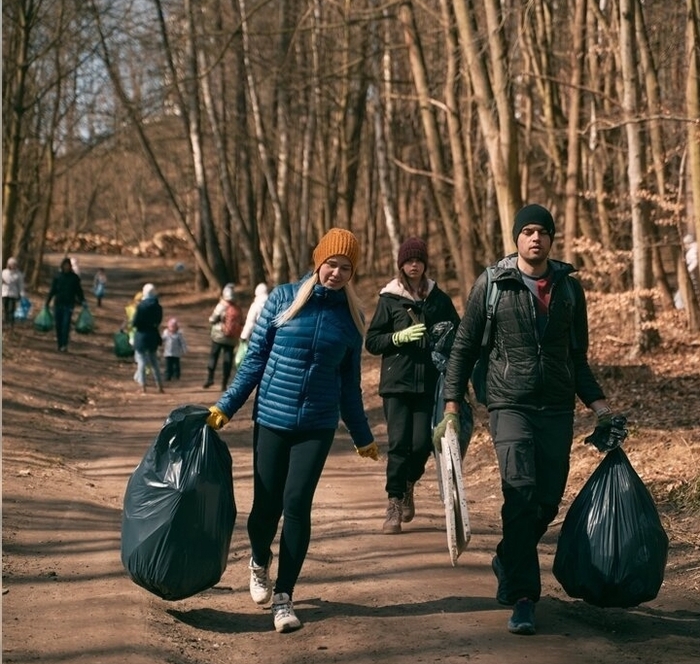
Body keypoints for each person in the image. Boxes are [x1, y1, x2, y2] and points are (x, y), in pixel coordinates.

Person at [433, 203, 627, 636]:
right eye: (528, 232)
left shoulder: (570, 291)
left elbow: (578, 358)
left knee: (547, 500)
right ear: (516, 238)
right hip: (508, 404)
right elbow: (463, 348)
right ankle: (523, 598)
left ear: (551, 240)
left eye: (542, 232)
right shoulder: (493, 283)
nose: (535, 238)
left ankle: (507, 555)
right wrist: (451, 406)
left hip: (556, 408)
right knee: (520, 494)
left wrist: (600, 408)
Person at [206, 228, 380, 633]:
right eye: (331, 264)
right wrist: (226, 406)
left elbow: (348, 386)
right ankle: (258, 560)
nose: (336, 273)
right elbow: (253, 362)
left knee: (297, 504)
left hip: (317, 426)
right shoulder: (283, 300)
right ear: (318, 262)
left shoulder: (352, 319)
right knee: (266, 507)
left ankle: (284, 597)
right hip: (271, 419)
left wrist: (361, 434)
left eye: (346, 267)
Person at [365, 236, 460, 533]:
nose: (414, 265)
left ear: (425, 264)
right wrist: (397, 338)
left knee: (421, 444)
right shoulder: (389, 299)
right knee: (398, 445)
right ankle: (393, 503)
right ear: (401, 265)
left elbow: (457, 335)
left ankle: (408, 485)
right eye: (408, 261)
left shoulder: (438, 299)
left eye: (418, 260)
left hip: (428, 383)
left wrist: (443, 339)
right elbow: (372, 341)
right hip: (396, 382)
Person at [203, 284, 241, 391]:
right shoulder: (237, 307)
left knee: (213, 356)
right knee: (228, 359)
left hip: (218, 336)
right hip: (232, 338)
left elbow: (212, 319)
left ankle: (210, 378)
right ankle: (224, 383)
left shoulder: (221, 306)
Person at [46, 257, 85, 351]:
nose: (66, 267)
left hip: (69, 304)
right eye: (65, 265)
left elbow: (79, 291)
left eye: (68, 265)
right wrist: (47, 301)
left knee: (66, 325)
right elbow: (53, 290)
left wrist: (82, 300)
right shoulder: (58, 277)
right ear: (62, 266)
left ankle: (64, 344)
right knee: (58, 325)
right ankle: (59, 344)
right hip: (58, 303)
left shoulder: (74, 278)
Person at [132, 283, 164, 393]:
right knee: (154, 361)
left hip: (141, 335)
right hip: (153, 334)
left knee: (141, 361)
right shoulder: (158, 306)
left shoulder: (141, 306)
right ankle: (159, 386)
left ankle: (143, 386)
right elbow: (159, 321)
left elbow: (135, 322)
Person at [235, 282, 270, 367]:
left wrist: (243, 337)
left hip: (256, 336)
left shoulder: (255, 305)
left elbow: (250, 323)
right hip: (270, 336)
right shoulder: (272, 304)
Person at [2, 257, 25, 328]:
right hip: (4, 293)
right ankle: (6, 321)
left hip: (13, 294)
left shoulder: (18, 274)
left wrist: (22, 294)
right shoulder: (4, 272)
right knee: (5, 308)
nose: (13, 266)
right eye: (11, 264)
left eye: (14, 264)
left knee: (11, 309)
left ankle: (11, 324)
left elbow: (20, 285)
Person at [162, 316, 187, 381]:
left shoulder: (179, 334)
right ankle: (168, 376)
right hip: (168, 353)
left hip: (176, 353)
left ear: (176, 328)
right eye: (171, 327)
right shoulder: (166, 333)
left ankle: (176, 376)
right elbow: (162, 339)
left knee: (176, 366)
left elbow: (182, 342)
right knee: (168, 366)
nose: (172, 329)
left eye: (174, 327)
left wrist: (184, 349)